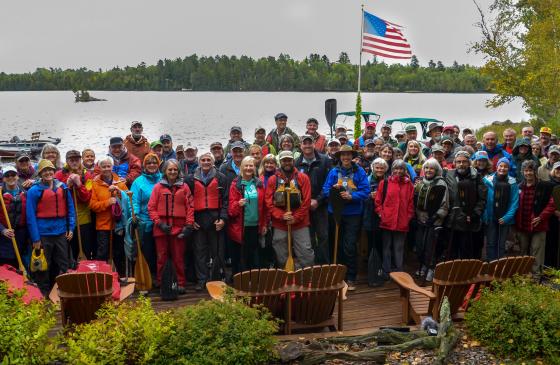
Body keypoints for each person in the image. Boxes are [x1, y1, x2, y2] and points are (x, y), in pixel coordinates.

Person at [323, 145, 370, 288]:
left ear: (352, 156)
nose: (346, 157)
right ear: (339, 157)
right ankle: (338, 275)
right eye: (343, 155)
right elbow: (325, 190)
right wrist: (333, 191)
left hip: (352, 214)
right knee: (336, 243)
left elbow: (366, 191)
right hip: (336, 213)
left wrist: (352, 196)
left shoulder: (359, 171)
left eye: (348, 154)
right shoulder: (333, 172)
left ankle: (351, 276)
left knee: (349, 245)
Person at [26, 159, 75, 295]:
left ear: (54, 171)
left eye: (50, 170)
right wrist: (36, 239)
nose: (48, 173)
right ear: (40, 173)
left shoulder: (63, 188)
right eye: (44, 171)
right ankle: (44, 293)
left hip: (61, 232)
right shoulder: (34, 191)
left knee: (63, 264)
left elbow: (70, 209)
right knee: (43, 266)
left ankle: (63, 291)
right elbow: (30, 217)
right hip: (43, 234)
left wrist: (71, 228)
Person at [148, 159, 194, 295]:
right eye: (170, 169)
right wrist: (159, 223)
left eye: (175, 169)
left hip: (178, 229)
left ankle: (179, 282)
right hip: (161, 228)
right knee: (161, 257)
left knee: (178, 258)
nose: (172, 172)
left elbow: (190, 207)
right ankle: (163, 282)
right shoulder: (158, 187)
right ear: (165, 172)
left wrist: (189, 225)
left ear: (179, 171)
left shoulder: (184, 187)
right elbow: (151, 208)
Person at [185, 153, 228, 290]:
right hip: (198, 219)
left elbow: (226, 200)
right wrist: (191, 220)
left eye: (208, 160)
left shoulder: (221, 178)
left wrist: (223, 219)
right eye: (203, 160)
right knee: (199, 251)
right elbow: (187, 201)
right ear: (199, 162)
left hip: (216, 218)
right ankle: (201, 280)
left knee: (217, 251)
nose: (206, 162)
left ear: (213, 162)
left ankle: (217, 278)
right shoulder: (190, 179)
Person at [265, 151, 314, 269]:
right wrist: (281, 215)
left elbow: (306, 201)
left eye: (289, 160)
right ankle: (285, 275)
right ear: (280, 162)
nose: (287, 163)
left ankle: (306, 275)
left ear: (293, 161)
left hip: (300, 222)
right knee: (280, 253)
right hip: (280, 223)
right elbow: (268, 202)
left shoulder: (303, 178)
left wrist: (295, 217)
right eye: (284, 160)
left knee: (305, 252)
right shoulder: (273, 180)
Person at [295, 135, 332, 265]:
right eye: (304, 143)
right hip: (304, 208)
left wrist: (318, 200)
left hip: (321, 206)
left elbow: (329, 183)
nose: (307, 146)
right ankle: (312, 267)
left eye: (309, 143)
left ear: (314, 144)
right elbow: (295, 187)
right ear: (300, 146)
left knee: (323, 237)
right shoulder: (296, 163)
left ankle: (325, 266)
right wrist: (305, 202)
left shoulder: (325, 160)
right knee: (308, 239)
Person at [228, 156, 267, 274]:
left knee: (254, 254)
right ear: (241, 168)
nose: (249, 168)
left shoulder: (259, 184)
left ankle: (255, 279)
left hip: (255, 225)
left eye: (251, 166)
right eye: (246, 165)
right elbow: (231, 209)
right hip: (240, 226)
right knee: (241, 255)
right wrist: (238, 204)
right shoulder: (236, 184)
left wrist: (264, 224)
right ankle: (241, 279)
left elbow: (264, 206)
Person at [515, 160, 555, 275]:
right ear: (522, 172)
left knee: (537, 251)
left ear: (535, 171)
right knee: (523, 252)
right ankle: (523, 276)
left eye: (530, 170)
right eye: (526, 170)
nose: (528, 173)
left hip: (538, 224)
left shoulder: (543, 186)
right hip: (522, 224)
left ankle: (536, 278)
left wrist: (541, 217)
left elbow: (551, 204)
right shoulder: (519, 186)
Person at [445, 151, 487, 260]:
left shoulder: (476, 177)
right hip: (452, 220)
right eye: (458, 162)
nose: (461, 164)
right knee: (451, 251)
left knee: (466, 252)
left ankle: (465, 274)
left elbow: (482, 198)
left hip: (469, 221)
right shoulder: (448, 175)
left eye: (464, 161)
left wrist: (475, 214)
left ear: (469, 163)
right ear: (454, 163)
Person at [375, 159, 415, 275]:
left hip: (402, 221)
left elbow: (411, 204)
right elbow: (378, 201)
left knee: (399, 247)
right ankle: (386, 270)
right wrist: (381, 214)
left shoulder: (409, 185)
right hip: (387, 220)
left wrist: (408, 217)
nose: (398, 171)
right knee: (386, 247)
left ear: (404, 170)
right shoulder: (385, 183)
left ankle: (399, 271)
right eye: (396, 168)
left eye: (401, 168)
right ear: (392, 170)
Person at [89, 157, 129, 272]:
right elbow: (92, 205)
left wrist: (119, 194)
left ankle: (121, 277)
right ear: (99, 168)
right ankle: (102, 277)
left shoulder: (120, 182)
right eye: (103, 166)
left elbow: (128, 200)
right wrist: (107, 202)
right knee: (102, 253)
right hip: (103, 225)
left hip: (118, 224)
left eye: (108, 166)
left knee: (119, 253)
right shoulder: (95, 184)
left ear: (112, 167)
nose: (106, 169)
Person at [54, 150, 95, 261]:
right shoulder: (58, 175)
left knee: (86, 249)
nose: (74, 162)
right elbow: (56, 197)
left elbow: (86, 198)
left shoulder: (87, 175)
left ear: (80, 160)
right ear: (67, 161)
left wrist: (78, 185)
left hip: (84, 220)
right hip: (67, 220)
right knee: (70, 250)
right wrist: (67, 186)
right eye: (71, 160)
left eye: (77, 160)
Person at [413, 159, 449, 282]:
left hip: (434, 220)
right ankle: (422, 266)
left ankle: (430, 269)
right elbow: (416, 201)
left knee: (431, 247)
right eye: (426, 168)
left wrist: (435, 217)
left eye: (431, 168)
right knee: (420, 246)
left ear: (436, 170)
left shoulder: (441, 183)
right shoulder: (420, 183)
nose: (428, 170)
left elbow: (445, 204)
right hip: (420, 219)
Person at [130, 153, 162, 282]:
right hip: (146, 221)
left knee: (161, 252)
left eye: (154, 162)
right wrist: (135, 215)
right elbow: (134, 201)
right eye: (149, 163)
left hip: (161, 221)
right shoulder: (138, 182)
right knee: (148, 251)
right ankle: (149, 277)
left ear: (158, 164)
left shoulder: (163, 178)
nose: (152, 165)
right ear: (144, 166)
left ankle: (160, 276)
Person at [482, 157, 519, 261]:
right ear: (497, 166)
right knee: (490, 242)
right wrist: (485, 215)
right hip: (490, 217)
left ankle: (499, 266)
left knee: (501, 243)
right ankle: (490, 264)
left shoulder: (512, 183)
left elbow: (514, 202)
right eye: (500, 166)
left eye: (505, 166)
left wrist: (507, 217)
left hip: (504, 218)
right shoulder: (487, 180)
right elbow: (483, 199)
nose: (502, 168)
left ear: (508, 168)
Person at [362, 158, 388, 286]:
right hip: (370, 216)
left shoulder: (388, 181)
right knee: (372, 244)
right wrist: (369, 197)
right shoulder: (367, 180)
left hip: (384, 217)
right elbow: (361, 196)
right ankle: (372, 271)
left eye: (381, 168)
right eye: (377, 167)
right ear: (373, 168)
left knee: (382, 244)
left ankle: (381, 269)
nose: (379, 170)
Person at [0, 166, 28, 269]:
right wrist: (3, 230)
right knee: (6, 263)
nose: (10, 177)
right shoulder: (0, 193)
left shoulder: (25, 192)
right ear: (3, 178)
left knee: (19, 260)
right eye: (7, 175)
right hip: (4, 236)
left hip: (21, 234)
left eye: (13, 175)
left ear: (17, 176)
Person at [258, 154, 279, 268]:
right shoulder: (260, 178)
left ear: (275, 165)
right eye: (267, 162)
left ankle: (275, 264)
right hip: (264, 213)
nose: (269, 165)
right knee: (264, 242)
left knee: (275, 241)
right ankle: (265, 265)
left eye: (272, 163)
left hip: (275, 212)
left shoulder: (278, 177)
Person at [545, 162, 560, 268]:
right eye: (557, 169)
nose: (559, 171)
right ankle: (549, 267)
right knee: (550, 243)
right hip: (551, 219)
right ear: (553, 170)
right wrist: (554, 211)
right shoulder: (548, 184)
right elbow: (544, 201)